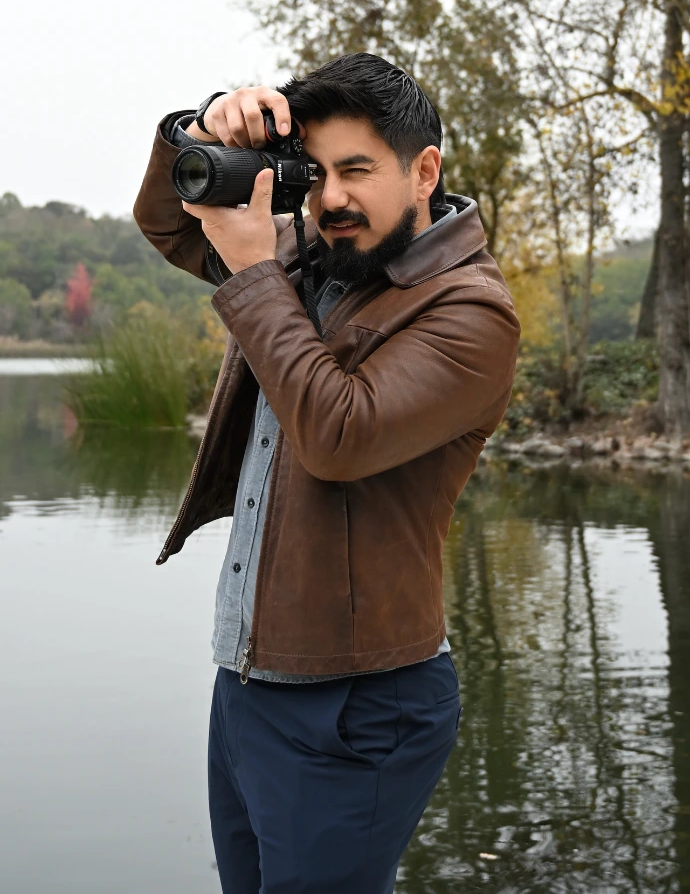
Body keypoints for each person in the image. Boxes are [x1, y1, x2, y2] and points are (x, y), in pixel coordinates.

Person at [133, 52, 520, 893]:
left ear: (425, 172)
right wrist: (205, 128)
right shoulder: (317, 258)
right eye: (317, 173)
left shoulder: (470, 310)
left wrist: (254, 272)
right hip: (249, 678)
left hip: (360, 702)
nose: (331, 198)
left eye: (357, 170)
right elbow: (169, 222)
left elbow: (339, 434)